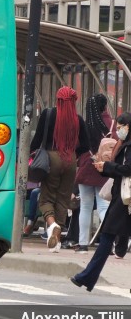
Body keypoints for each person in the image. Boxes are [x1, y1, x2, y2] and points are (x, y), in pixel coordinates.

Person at [71, 112, 131, 291]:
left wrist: (107, 166)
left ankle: (87, 277)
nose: (118, 131)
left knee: (107, 236)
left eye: (121, 128)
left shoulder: (129, 145)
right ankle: (87, 277)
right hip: (121, 198)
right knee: (107, 236)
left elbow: (128, 169)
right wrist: (104, 168)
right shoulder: (124, 144)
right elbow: (120, 170)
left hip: (124, 200)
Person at [30, 86, 89, 252]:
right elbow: (85, 144)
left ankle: (52, 224)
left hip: (51, 158)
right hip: (70, 160)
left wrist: (28, 155)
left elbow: (37, 140)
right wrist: (73, 155)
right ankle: (56, 241)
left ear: (58, 99)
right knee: (63, 199)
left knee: (46, 198)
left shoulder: (48, 114)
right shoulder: (78, 119)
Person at [74, 94, 115, 253]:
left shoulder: (85, 124)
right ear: (105, 106)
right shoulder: (112, 125)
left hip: (86, 166)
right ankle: (109, 244)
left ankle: (83, 244)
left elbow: (78, 146)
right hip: (104, 168)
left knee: (85, 206)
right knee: (104, 206)